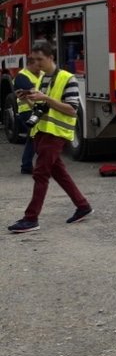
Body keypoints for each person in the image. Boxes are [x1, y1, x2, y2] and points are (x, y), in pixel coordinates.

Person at [8, 40, 92, 234]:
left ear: (51, 57)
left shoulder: (67, 78)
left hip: (56, 133)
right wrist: (27, 99)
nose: (37, 64)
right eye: (33, 60)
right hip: (42, 131)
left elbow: (72, 110)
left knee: (40, 173)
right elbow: (40, 109)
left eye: (40, 59)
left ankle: (31, 219)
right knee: (59, 173)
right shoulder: (42, 78)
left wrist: (45, 98)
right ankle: (82, 205)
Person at [14, 54, 43, 174]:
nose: (39, 67)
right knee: (37, 137)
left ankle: (26, 166)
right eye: (36, 65)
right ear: (29, 64)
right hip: (27, 111)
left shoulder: (41, 74)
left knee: (33, 138)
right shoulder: (22, 77)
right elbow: (31, 93)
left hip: (38, 110)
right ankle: (45, 165)